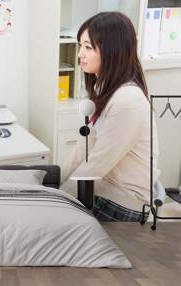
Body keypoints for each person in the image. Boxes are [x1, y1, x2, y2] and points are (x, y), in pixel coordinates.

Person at [60, 12, 160, 222]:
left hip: (125, 204)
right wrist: (56, 185)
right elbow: (83, 150)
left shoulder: (127, 101)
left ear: (112, 50)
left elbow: (96, 164)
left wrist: (58, 199)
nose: (80, 54)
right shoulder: (104, 89)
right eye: (81, 46)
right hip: (104, 189)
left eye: (88, 47)